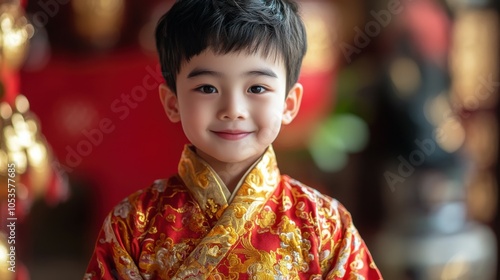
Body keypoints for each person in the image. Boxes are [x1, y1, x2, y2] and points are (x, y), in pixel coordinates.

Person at [84, 0, 382, 279]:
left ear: (289, 103)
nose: (233, 110)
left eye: (256, 88)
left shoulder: (326, 224)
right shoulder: (133, 224)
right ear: (172, 103)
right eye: (207, 88)